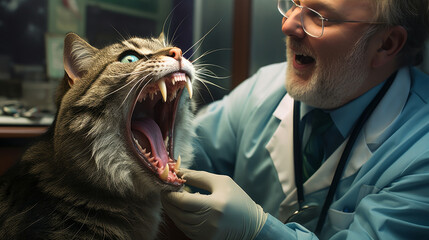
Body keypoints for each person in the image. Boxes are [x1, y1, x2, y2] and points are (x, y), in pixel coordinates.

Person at [161, 0, 429, 239]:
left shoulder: (420, 153)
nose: (288, 24)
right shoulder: (264, 89)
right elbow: (189, 151)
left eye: (320, 17)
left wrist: (257, 231)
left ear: (386, 44)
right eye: (295, 2)